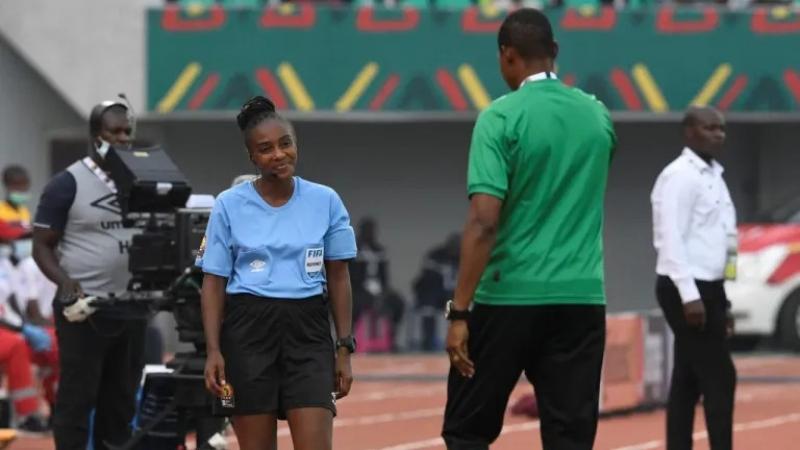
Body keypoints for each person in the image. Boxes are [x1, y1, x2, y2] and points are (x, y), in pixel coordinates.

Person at [441, 9, 616, 450]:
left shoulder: (499, 118)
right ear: (554, 52)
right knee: (570, 437)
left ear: (507, 56)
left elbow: (483, 220)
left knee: (466, 431)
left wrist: (460, 311)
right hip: (581, 297)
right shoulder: (598, 117)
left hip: (509, 295)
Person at [200, 96, 357, 450]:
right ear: (252, 157)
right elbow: (213, 282)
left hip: (309, 332)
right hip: (248, 333)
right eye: (266, 149)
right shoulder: (229, 203)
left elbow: (338, 276)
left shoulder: (325, 200)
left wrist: (344, 347)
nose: (278, 154)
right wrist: (213, 350)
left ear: (295, 144)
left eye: (285, 144)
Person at [32, 100, 147, 450]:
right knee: (78, 400)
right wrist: (65, 281)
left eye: (127, 131)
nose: (123, 139)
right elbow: (42, 246)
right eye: (115, 132)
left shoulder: (143, 180)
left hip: (131, 306)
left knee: (122, 402)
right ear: (96, 135)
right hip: (85, 310)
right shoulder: (66, 183)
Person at [651, 106, 737, 450]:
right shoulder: (679, 176)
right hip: (685, 287)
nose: (718, 134)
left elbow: (724, 240)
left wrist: (725, 299)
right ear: (689, 132)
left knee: (687, 379)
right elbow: (669, 237)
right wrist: (689, 295)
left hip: (711, 287)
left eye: (721, 128)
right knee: (720, 377)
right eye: (709, 128)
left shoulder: (715, 176)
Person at [413, 233, 460, 351]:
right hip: (435, 292)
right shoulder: (435, 255)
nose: (455, 248)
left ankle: (460, 343)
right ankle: (428, 342)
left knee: (464, 307)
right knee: (428, 307)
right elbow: (427, 278)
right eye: (453, 245)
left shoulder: (464, 256)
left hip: (455, 294)